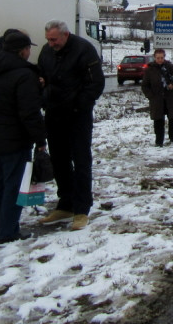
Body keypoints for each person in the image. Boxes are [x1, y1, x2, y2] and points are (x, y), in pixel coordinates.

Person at [36, 20, 105, 231]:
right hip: (54, 114)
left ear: (65, 35)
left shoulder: (84, 50)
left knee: (81, 160)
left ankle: (82, 208)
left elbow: (96, 84)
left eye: (54, 39)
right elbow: (41, 77)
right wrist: (43, 96)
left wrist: (79, 106)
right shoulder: (46, 53)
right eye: (48, 40)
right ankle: (65, 203)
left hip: (77, 116)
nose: (51, 44)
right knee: (59, 160)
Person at [0, 31, 46, 244]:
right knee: (13, 186)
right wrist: (40, 139)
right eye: (28, 48)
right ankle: (8, 231)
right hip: (14, 140)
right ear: (22, 50)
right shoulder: (24, 74)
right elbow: (29, 112)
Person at [142, 48, 173, 146]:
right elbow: (145, 86)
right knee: (158, 121)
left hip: (170, 98)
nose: (160, 60)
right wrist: (151, 96)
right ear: (154, 58)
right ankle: (159, 141)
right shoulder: (149, 70)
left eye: (161, 58)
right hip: (157, 100)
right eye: (158, 58)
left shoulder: (170, 67)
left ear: (164, 57)